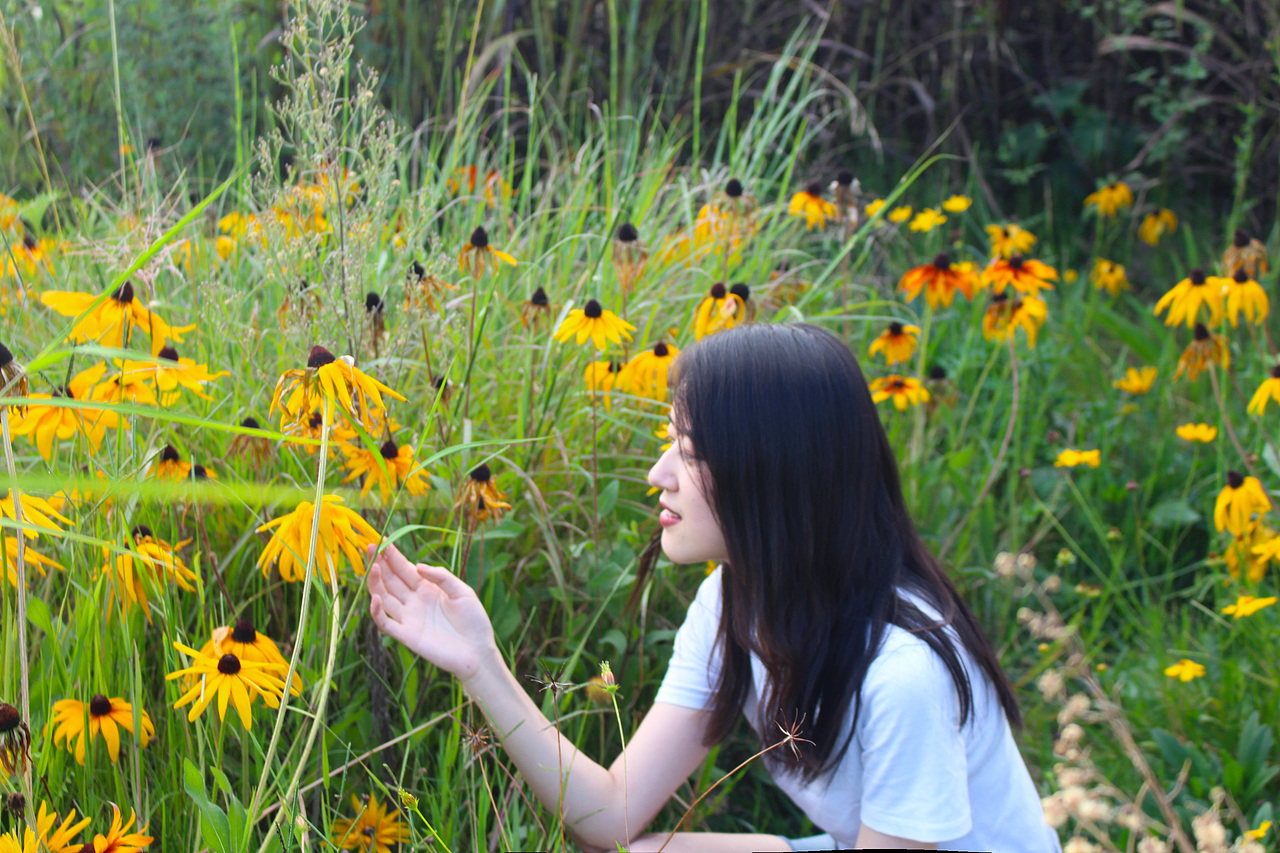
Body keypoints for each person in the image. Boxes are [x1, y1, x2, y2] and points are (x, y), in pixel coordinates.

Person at [366, 322, 1061, 852]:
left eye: (691, 451)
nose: (658, 473)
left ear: (773, 475)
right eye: (670, 440)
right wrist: (480, 663)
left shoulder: (903, 674)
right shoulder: (734, 600)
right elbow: (611, 810)